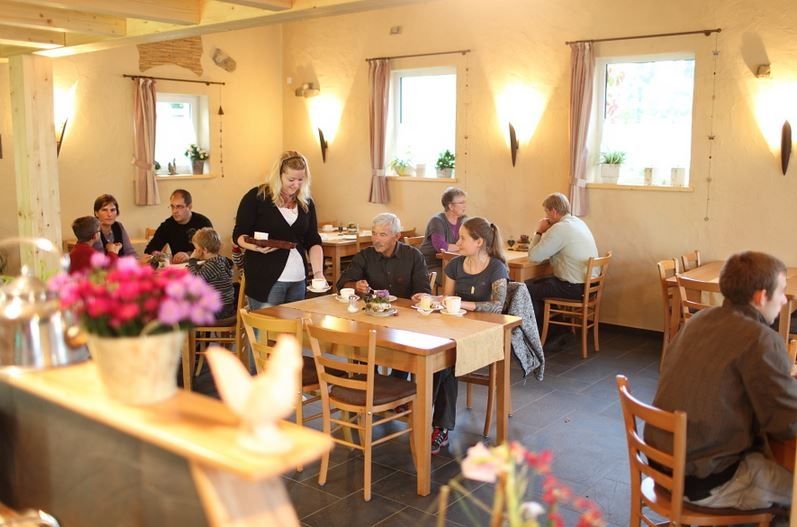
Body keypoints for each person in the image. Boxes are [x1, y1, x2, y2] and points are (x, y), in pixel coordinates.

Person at [646, 251, 797, 511]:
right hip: (704, 480)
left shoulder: (697, 321)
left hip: (661, 465)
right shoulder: (760, 339)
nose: (784, 300)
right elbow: (787, 423)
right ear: (761, 296)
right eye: (781, 292)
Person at [414, 217, 509, 455]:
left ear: (479, 242)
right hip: (456, 331)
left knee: (446, 363)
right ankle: (431, 421)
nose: (457, 243)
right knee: (438, 358)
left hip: (485, 336)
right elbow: (447, 301)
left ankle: (431, 421)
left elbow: (498, 306)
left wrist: (464, 304)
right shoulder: (455, 265)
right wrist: (431, 300)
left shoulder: (496, 267)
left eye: (462, 238)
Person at [232, 151, 326, 310]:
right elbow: (239, 234)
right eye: (291, 180)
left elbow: (313, 240)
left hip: (298, 278)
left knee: (294, 325)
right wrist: (254, 247)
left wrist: (318, 273)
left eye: (301, 179)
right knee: (265, 325)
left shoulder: (306, 203)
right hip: (265, 279)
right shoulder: (257, 197)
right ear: (279, 175)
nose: (296, 185)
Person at [526, 192, 598, 330]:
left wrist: (539, 231)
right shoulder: (578, 222)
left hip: (574, 288)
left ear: (553, 212)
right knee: (538, 284)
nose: (546, 216)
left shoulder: (560, 228)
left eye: (546, 212)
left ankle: (538, 332)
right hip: (589, 287)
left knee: (524, 289)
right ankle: (554, 329)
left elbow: (533, 257)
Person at [336, 212, 431, 299]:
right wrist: (355, 286)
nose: (376, 240)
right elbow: (342, 284)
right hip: (372, 309)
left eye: (382, 235)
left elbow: (423, 290)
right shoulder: (364, 256)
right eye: (374, 234)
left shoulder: (414, 256)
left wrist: (420, 296)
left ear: (397, 236)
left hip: (404, 309)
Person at [144, 189, 213, 264]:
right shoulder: (167, 225)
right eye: (172, 206)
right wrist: (156, 254)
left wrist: (189, 255)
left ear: (189, 207)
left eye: (179, 207)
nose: (174, 211)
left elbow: (211, 251)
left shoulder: (203, 222)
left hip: (202, 266)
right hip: (178, 267)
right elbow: (149, 249)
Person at [419, 187, 467, 282]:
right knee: (461, 281)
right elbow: (441, 247)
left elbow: (470, 241)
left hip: (452, 263)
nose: (465, 206)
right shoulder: (437, 221)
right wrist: (462, 246)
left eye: (465, 202)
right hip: (431, 265)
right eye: (461, 203)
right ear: (451, 206)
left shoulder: (463, 220)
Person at [188, 228, 235, 320]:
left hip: (219, 310)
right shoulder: (220, 260)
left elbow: (195, 280)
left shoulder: (213, 264)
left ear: (204, 250)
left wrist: (192, 261)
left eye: (196, 249)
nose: (195, 251)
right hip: (225, 307)